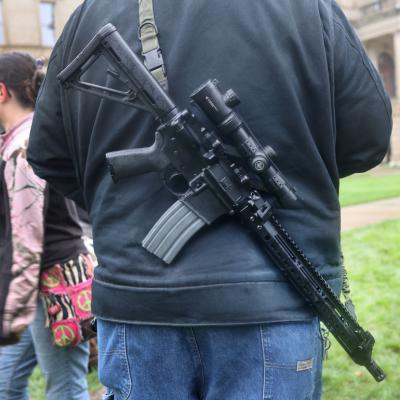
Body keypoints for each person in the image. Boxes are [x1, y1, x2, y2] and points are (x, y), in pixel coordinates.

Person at [28, 1, 392, 399]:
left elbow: (49, 154)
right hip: (272, 305)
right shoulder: (306, 7)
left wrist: (121, 202)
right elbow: (368, 140)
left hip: (136, 303)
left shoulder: (88, 14)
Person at [0, 52, 91, 400]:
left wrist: (10, 310)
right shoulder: (24, 138)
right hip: (32, 287)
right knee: (6, 383)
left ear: (2, 92)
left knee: (66, 389)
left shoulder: (26, 146)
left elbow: (26, 238)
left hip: (53, 285)